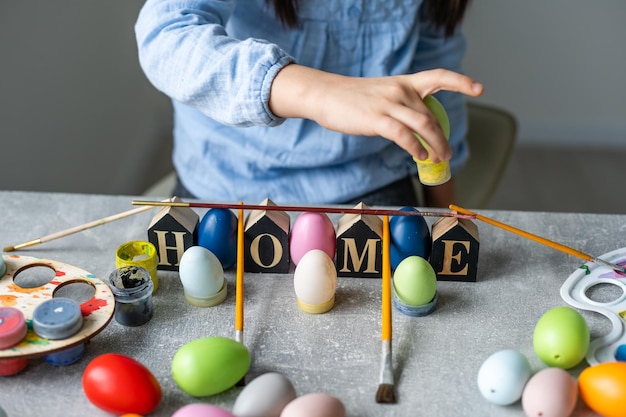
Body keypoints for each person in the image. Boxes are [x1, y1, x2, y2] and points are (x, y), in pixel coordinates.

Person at [135, 0, 483, 208]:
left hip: (370, 181)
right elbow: (166, 36)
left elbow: (433, 75)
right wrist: (321, 94)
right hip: (226, 182)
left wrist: (444, 212)